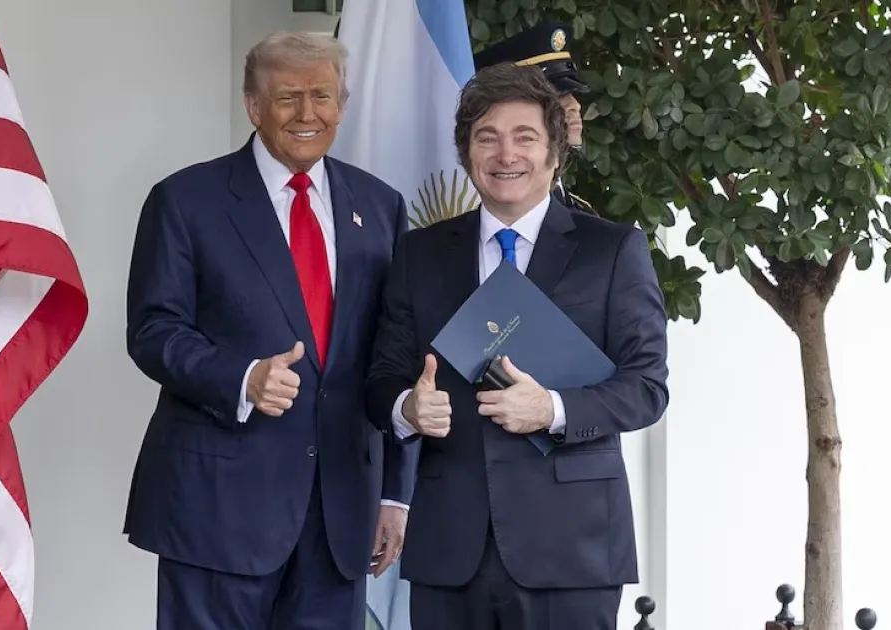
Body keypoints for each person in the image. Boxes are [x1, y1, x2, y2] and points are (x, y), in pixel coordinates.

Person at [122, 30, 418, 629]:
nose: (308, 114)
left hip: (340, 510)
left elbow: (395, 354)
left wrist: (394, 492)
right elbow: (153, 329)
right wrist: (243, 378)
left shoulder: (380, 205)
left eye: (322, 96)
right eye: (288, 97)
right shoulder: (185, 200)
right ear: (254, 106)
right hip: (219, 509)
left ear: (342, 105)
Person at [366, 62, 668, 630]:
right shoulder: (419, 253)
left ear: (554, 152)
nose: (506, 154)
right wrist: (406, 408)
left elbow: (647, 388)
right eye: (487, 138)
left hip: (571, 548)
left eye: (524, 137)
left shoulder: (612, 250)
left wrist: (551, 408)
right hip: (450, 549)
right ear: (466, 153)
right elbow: (382, 375)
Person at [474, 21, 597, 215]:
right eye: (554, 97)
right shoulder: (485, 206)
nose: (575, 105)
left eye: (571, 94)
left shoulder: (576, 209)